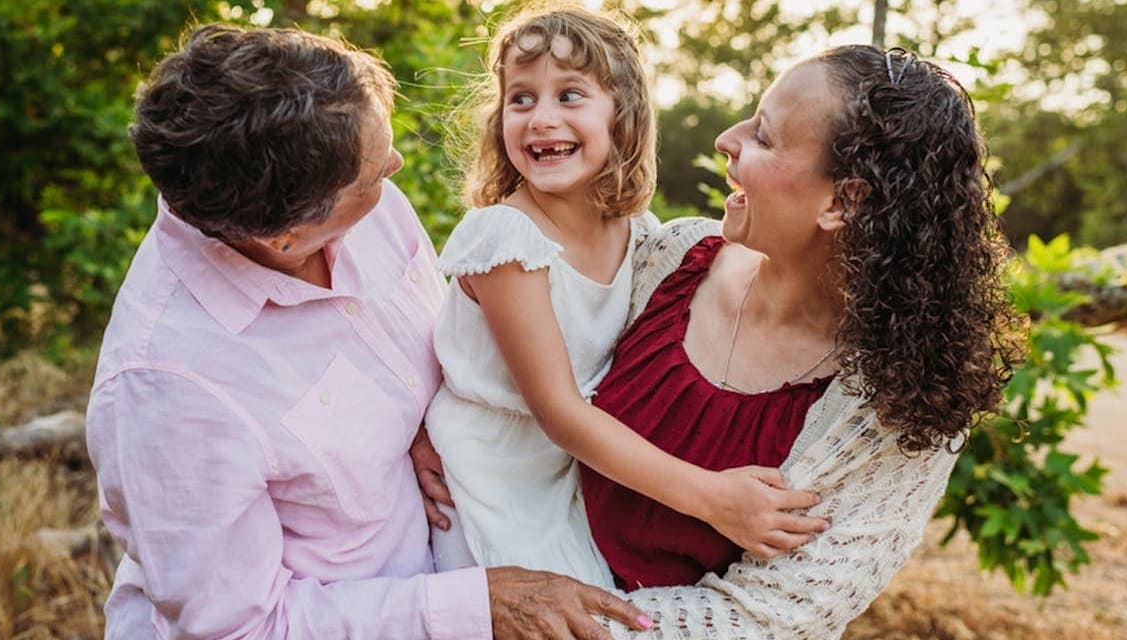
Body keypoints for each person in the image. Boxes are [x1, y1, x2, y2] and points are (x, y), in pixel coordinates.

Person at [84, 23, 652, 639]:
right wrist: (471, 607)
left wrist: (408, 418)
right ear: (286, 239)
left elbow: (432, 344)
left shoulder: (350, 188)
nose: (396, 166)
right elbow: (240, 629)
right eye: (374, 173)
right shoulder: (167, 389)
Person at [576, 45, 1025, 637]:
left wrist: (548, 615)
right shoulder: (667, 257)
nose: (726, 141)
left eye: (763, 137)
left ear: (843, 201)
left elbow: (764, 619)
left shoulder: (894, 410)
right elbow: (528, 376)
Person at [423, 6, 828, 589]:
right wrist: (713, 499)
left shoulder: (639, 233)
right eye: (521, 99)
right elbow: (560, 413)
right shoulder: (507, 238)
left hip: (571, 474)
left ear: (623, 116)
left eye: (569, 95)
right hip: (492, 471)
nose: (540, 118)